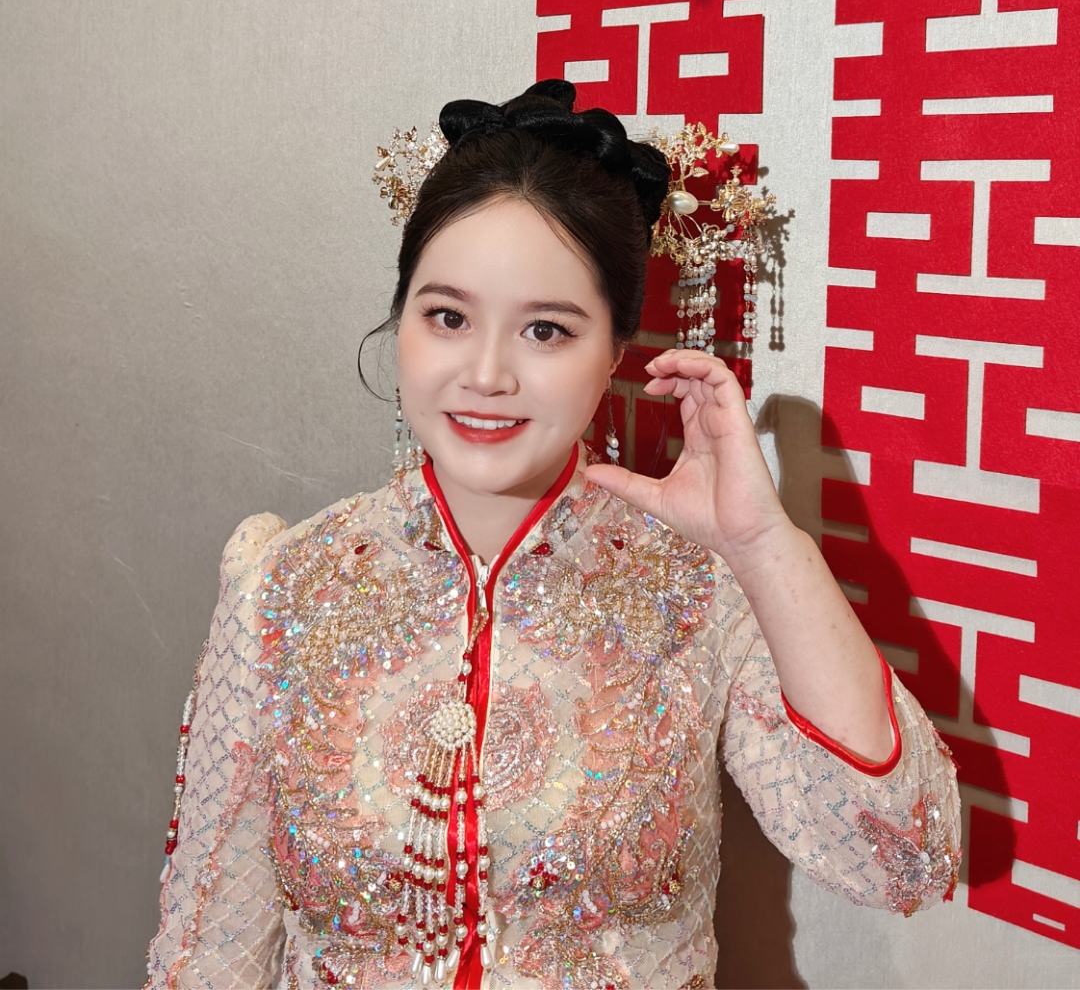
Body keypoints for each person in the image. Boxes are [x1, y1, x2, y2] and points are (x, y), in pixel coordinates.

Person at [146, 81, 960, 990]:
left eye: (545, 330)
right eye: (447, 316)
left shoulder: (699, 588)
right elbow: (206, 947)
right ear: (400, 316)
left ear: (614, 352)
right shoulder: (282, 582)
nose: (487, 374)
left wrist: (765, 547)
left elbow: (904, 863)